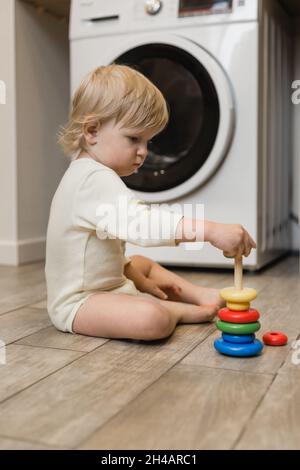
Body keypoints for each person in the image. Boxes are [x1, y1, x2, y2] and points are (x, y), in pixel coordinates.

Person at [45, 64, 256, 341]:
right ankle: (178, 311)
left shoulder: (92, 173)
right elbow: (142, 225)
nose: (143, 152)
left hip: (111, 285)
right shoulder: (91, 179)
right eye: (134, 138)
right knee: (150, 319)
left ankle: (200, 295)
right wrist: (211, 231)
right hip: (81, 303)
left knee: (141, 263)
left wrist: (133, 276)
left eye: (148, 141)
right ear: (92, 131)